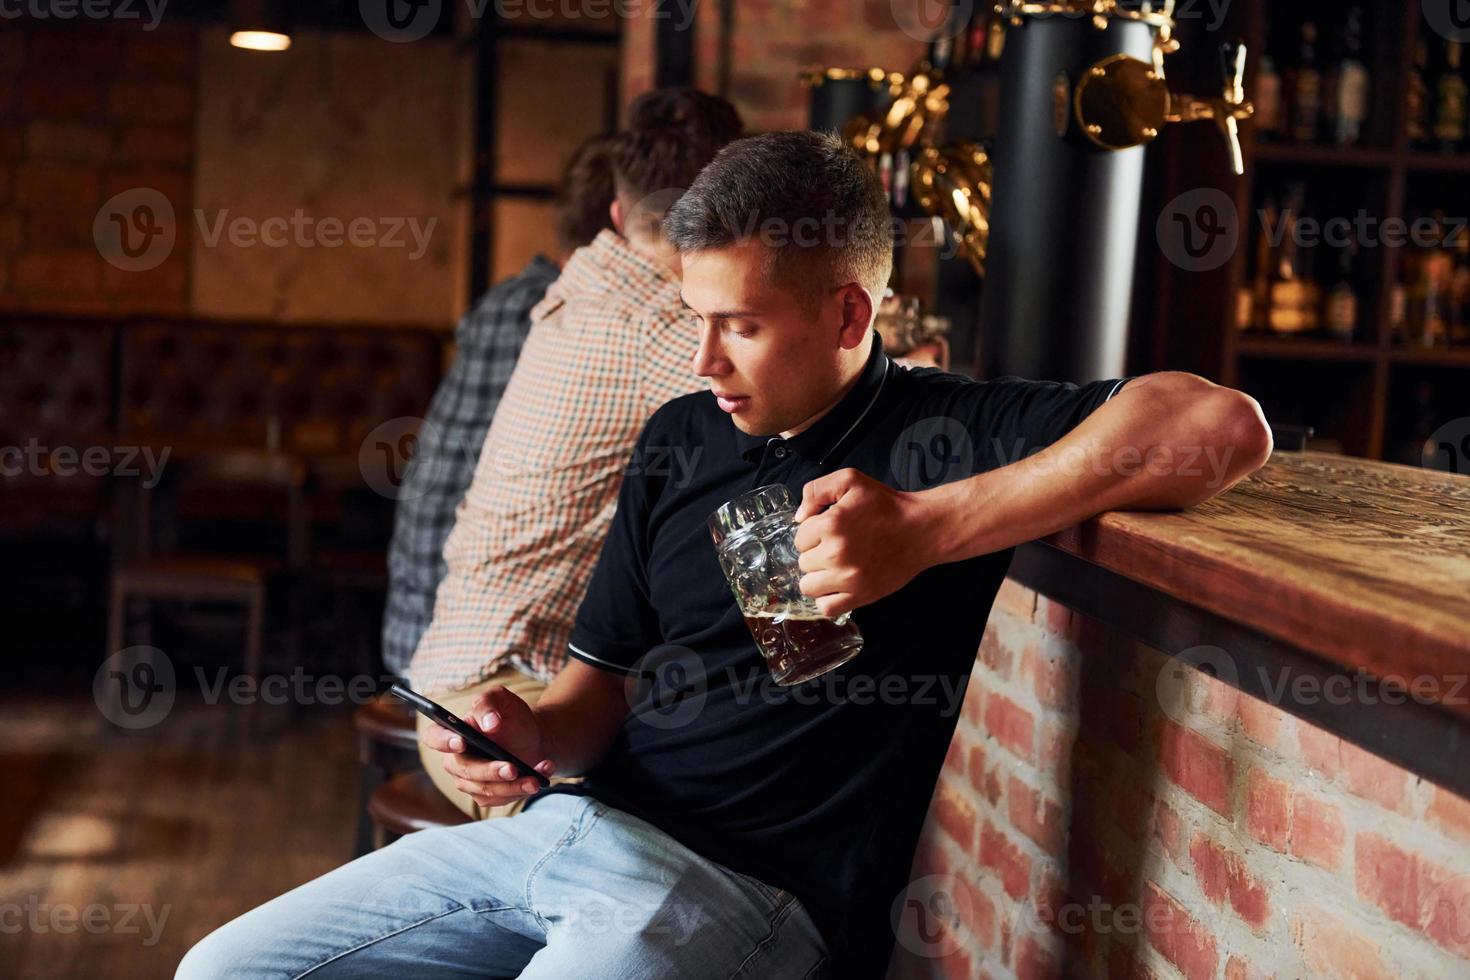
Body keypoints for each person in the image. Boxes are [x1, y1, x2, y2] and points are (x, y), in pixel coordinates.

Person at [177, 132, 1272, 980]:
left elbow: (1220, 426)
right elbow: (591, 692)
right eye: (693, 317)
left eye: (739, 324)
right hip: (568, 822)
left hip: (749, 889)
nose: (703, 358)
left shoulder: (946, 433)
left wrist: (930, 529)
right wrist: (522, 733)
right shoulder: (679, 437)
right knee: (218, 964)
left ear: (850, 312)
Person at [405, 88, 743, 818]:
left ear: (618, 215)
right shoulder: (660, 329)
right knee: (694, 825)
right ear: (728, 221)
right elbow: (822, 402)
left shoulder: (584, 291)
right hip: (501, 699)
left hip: (466, 668)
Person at [380, 133, 617, 681]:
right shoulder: (569, 314)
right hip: (457, 645)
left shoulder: (506, 297)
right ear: (624, 221)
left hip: (410, 618)